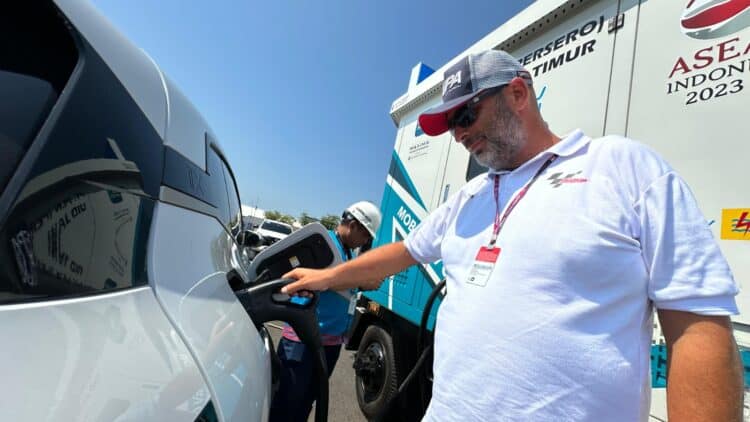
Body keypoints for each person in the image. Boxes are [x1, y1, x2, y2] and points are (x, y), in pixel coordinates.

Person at [280, 50, 744, 421]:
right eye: (450, 127)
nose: (458, 136)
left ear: (518, 93)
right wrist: (325, 276)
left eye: (465, 116)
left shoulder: (622, 168)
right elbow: (401, 253)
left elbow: (698, 327)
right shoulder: (471, 197)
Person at [269, 201, 382, 422]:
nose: (366, 241)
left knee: (307, 400)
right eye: (366, 235)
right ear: (354, 225)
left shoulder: (347, 252)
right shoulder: (323, 243)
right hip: (303, 340)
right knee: (288, 401)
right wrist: (361, 283)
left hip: (328, 343)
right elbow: (321, 280)